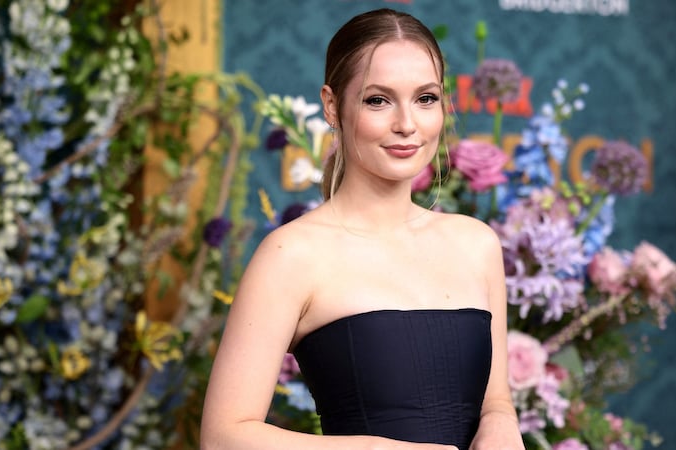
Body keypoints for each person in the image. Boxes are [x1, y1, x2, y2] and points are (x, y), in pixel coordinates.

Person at [201, 8, 525, 450]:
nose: (407, 124)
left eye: (425, 98)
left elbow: (495, 401)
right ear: (333, 105)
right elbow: (223, 437)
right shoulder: (291, 255)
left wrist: (501, 424)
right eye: (378, 100)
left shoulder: (477, 244)